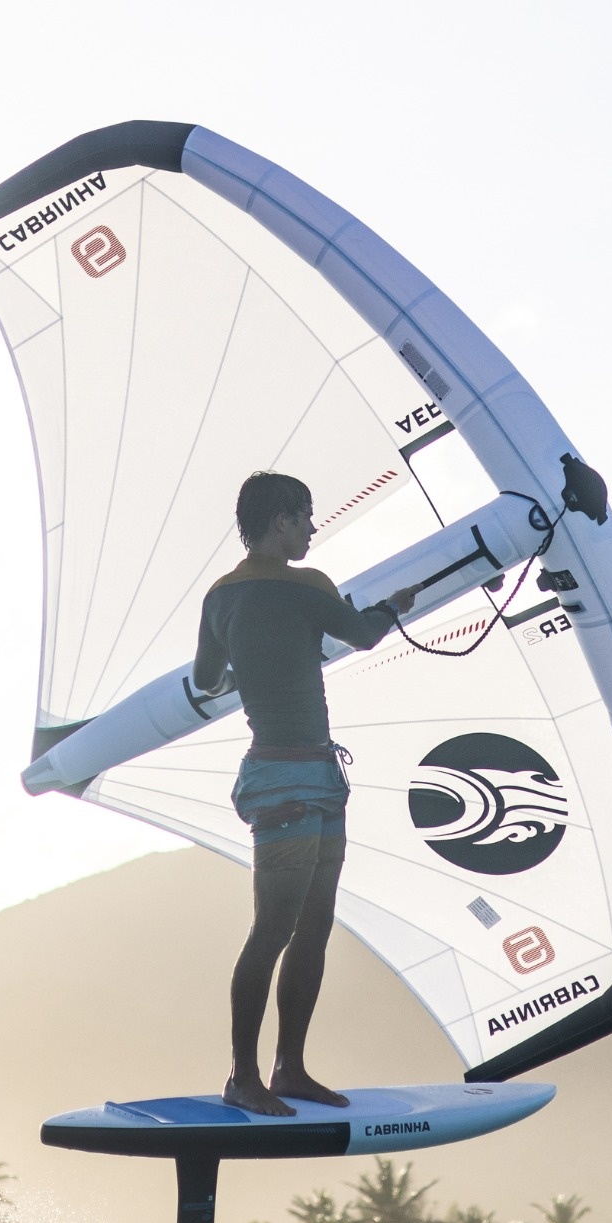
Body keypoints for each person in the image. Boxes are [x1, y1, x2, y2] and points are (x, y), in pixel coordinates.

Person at [194, 472, 422, 1115]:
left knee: (309, 925)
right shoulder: (309, 586)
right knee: (279, 928)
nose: (313, 529)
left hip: (302, 775)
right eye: (306, 517)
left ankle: (288, 1069)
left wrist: (249, 668)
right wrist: (394, 606)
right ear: (282, 520)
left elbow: (207, 679)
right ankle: (244, 1077)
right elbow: (364, 634)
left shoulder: (220, 596)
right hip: (293, 780)